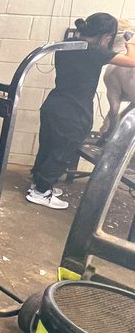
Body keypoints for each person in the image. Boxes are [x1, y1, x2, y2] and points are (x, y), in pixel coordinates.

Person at [27, 13, 135, 209]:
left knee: (49, 145)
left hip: (54, 104)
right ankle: (41, 191)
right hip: (74, 111)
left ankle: (39, 181)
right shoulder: (95, 51)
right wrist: (130, 41)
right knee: (63, 151)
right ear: (107, 36)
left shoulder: (67, 44)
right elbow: (132, 60)